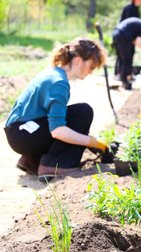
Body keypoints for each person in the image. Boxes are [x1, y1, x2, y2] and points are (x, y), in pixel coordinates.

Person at [4, 38, 109, 182]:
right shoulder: (58, 83)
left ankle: (32, 160)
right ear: (78, 61)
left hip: (20, 132)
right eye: (91, 67)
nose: (91, 72)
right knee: (83, 113)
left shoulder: (53, 73)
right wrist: (92, 142)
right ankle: (54, 166)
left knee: (75, 114)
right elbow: (58, 130)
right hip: (23, 136)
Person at [112, 17, 141, 90]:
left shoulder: (140, 23)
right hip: (123, 36)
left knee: (121, 58)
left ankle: (119, 78)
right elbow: (138, 42)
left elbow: (134, 41)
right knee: (127, 59)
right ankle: (125, 82)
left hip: (116, 33)